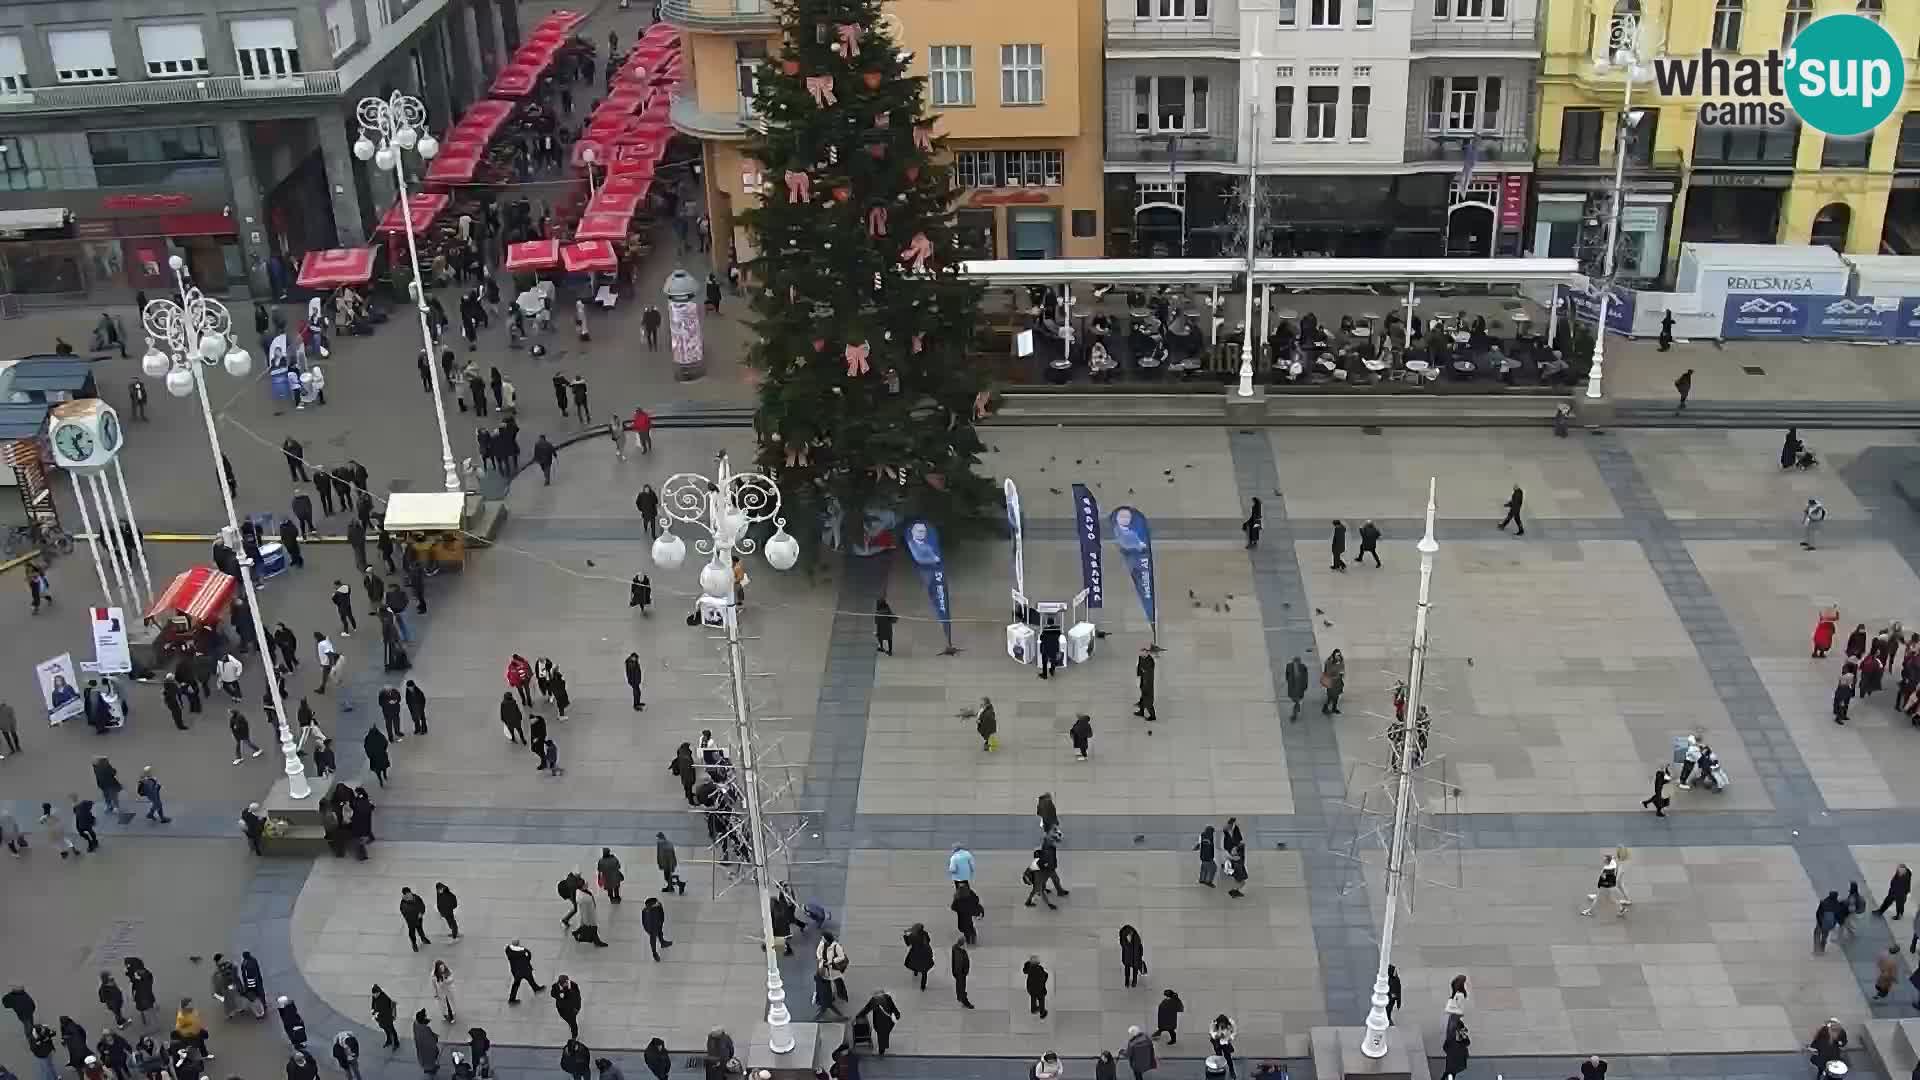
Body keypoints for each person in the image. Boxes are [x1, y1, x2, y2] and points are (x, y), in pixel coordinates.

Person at [816, 931, 849, 1000]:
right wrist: (820, 958)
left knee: (836, 981)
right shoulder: (821, 943)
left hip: (833, 968)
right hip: (824, 967)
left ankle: (839, 994)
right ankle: (830, 995)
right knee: (826, 981)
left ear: (827, 938)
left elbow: (842, 957)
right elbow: (818, 952)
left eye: (823, 938)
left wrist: (832, 961)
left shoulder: (836, 946)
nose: (822, 939)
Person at [549, 977, 582, 1041]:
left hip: (572, 1009)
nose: (567, 983)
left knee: (573, 1023)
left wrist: (577, 1008)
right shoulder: (555, 986)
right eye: (565, 983)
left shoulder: (573, 985)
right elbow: (552, 994)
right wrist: (559, 994)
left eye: (567, 982)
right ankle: (569, 1023)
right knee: (568, 1020)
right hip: (561, 1009)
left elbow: (578, 998)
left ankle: (574, 1036)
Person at [400, 887, 431, 951]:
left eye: (410, 893)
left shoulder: (417, 898)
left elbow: (422, 905)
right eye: (407, 894)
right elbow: (406, 914)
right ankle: (414, 944)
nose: (409, 895)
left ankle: (423, 938)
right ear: (404, 895)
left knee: (420, 929)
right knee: (412, 933)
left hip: (419, 919)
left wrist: (421, 913)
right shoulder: (403, 904)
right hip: (411, 922)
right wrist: (414, 917)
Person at [1209, 1014, 1238, 1079]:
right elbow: (1211, 1032)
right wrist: (1216, 1035)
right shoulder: (1214, 1023)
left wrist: (1230, 1037)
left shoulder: (1231, 1023)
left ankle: (1231, 1070)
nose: (1222, 1025)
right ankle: (1220, 1069)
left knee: (1228, 1056)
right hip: (1217, 1041)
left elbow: (1234, 1032)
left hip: (1225, 1041)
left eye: (1223, 1024)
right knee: (1219, 1056)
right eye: (1221, 1024)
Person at [412, 1011, 439, 1077]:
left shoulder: (415, 1024)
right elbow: (432, 1040)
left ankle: (429, 1068)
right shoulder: (425, 1029)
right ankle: (431, 1069)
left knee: (425, 1058)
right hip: (427, 1048)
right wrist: (435, 1037)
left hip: (421, 1047)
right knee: (430, 1059)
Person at [1135, 647, 1156, 721]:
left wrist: (1143, 672)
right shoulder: (1141, 657)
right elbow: (1139, 667)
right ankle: (1141, 711)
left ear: (1147, 652)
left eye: (1144, 652)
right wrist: (1138, 677)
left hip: (1148, 682)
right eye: (1141, 652)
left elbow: (1149, 673)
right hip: (1143, 681)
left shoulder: (1150, 661)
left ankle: (1153, 716)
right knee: (1143, 697)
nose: (1141, 654)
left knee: (1148, 700)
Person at [1321, 650, 1346, 715]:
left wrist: (1342, 672)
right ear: (1334, 655)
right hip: (1331, 681)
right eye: (1337, 655)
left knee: (1336, 696)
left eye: (1339, 655)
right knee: (1331, 696)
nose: (1338, 656)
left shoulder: (1341, 660)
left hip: (1338, 681)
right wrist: (1337, 671)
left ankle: (1334, 708)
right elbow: (1328, 672)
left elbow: (1342, 668)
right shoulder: (1329, 661)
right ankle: (1325, 708)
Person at [1285, 655, 1309, 721]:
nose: (1297, 663)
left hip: (1300, 686)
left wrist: (1305, 685)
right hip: (1292, 686)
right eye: (1296, 661)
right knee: (1294, 699)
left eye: (1298, 661)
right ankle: (1297, 706)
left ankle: (1294, 715)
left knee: (1297, 699)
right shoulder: (1289, 666)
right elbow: (1287, 674)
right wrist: (1288, 681)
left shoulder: (1303, 667)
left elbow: (1306, 677)